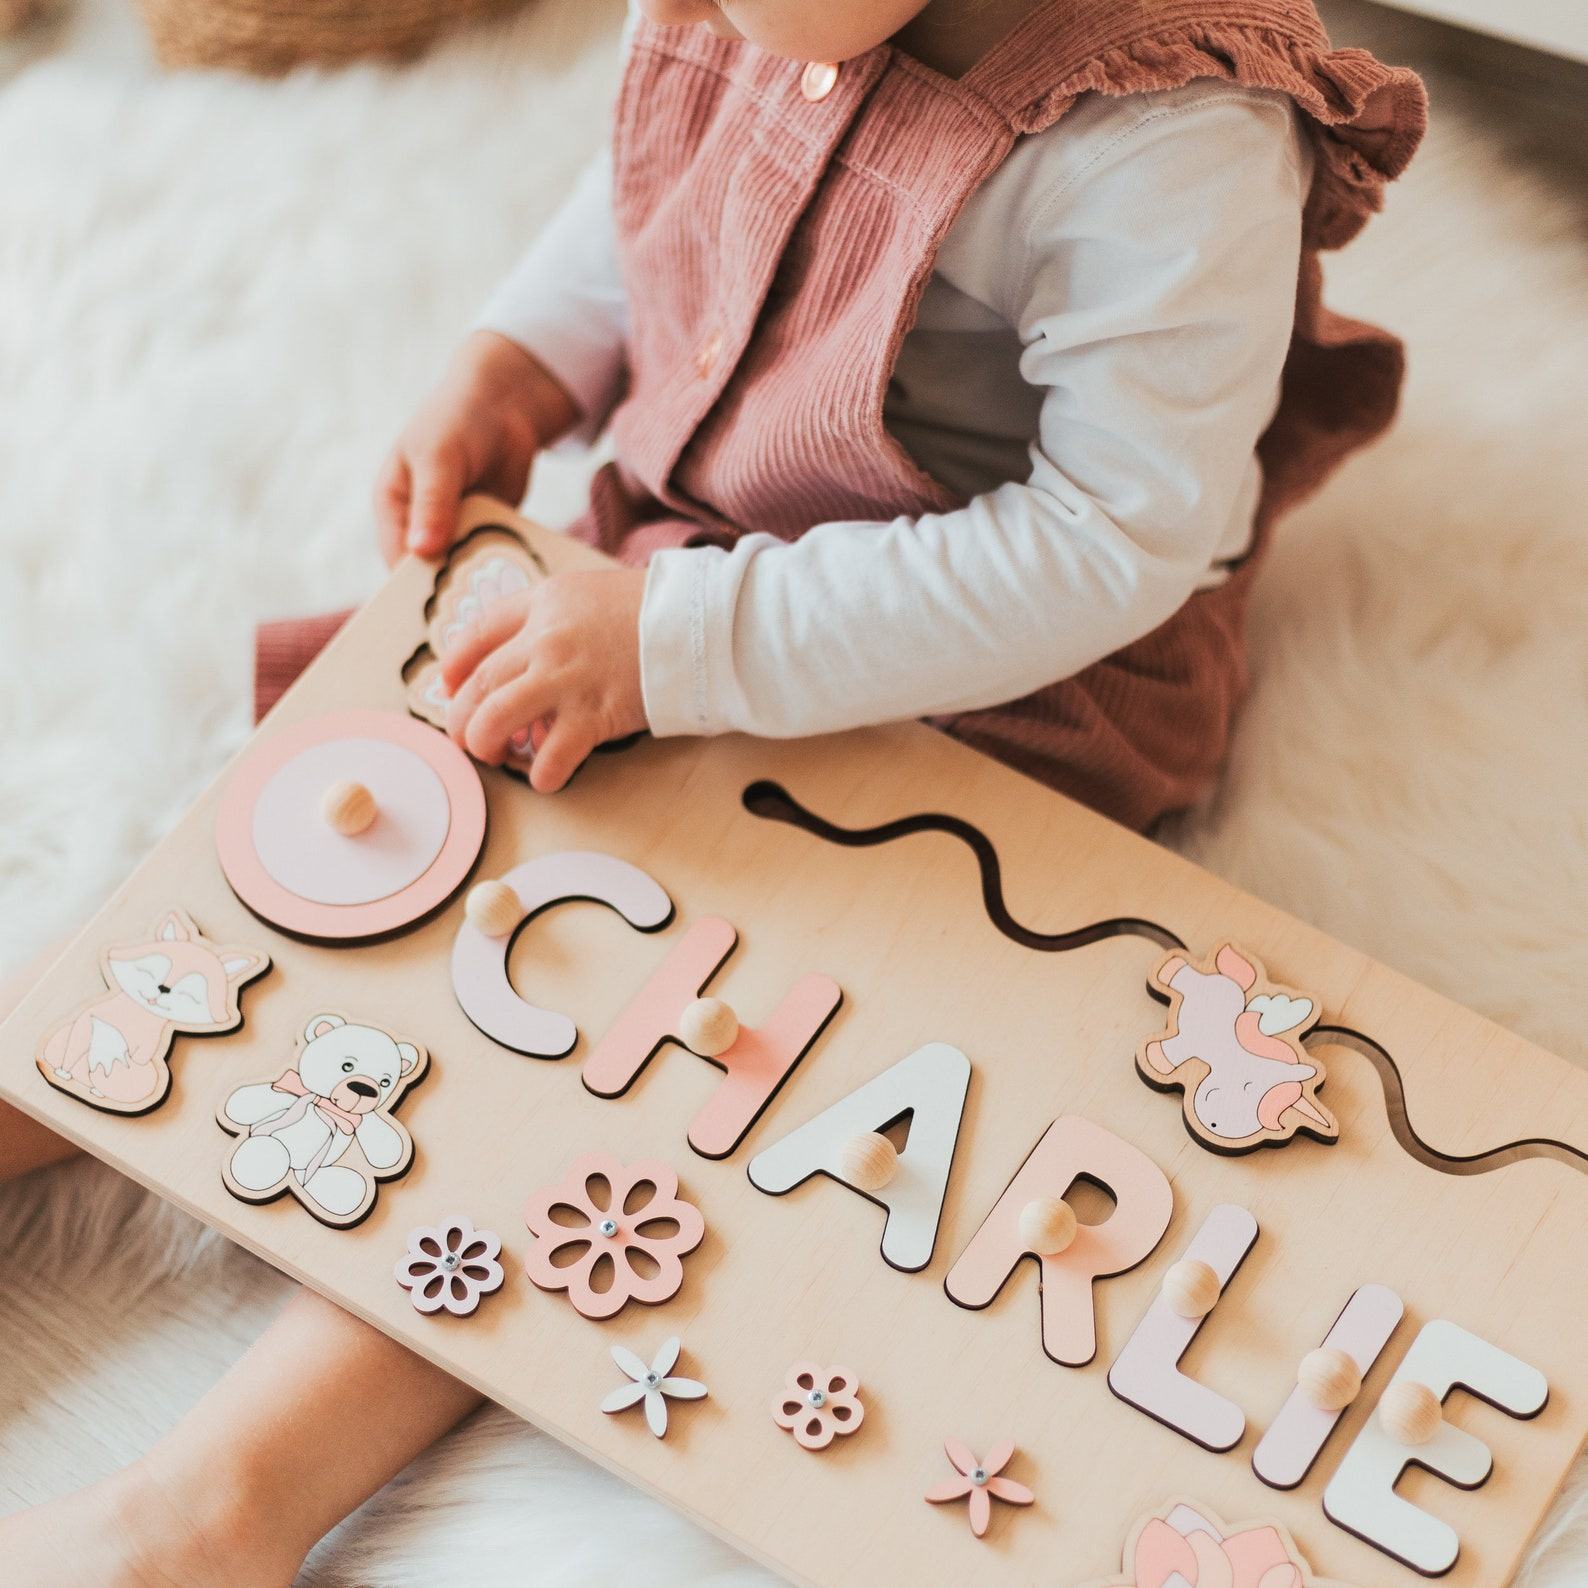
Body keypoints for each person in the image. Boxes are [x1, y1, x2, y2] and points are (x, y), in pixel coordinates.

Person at [0, 0, 1424, 1581]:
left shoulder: (1171, 137)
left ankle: (215, 1503)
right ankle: (44, 1075)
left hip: (996, 688)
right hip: (701, 550)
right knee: (361, 841)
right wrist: (524, 357)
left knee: (654, 1072)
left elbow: (1113, 545)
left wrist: (690, 641)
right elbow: (665, 183)